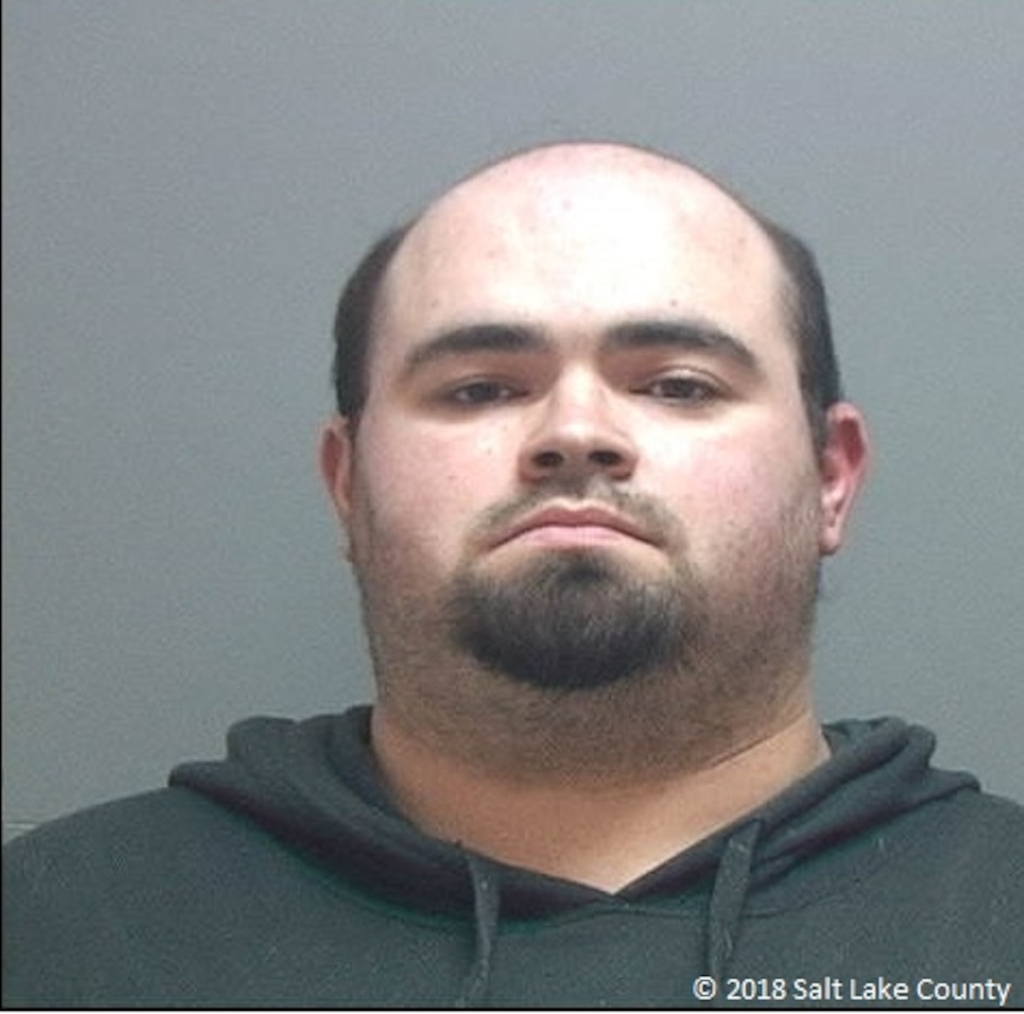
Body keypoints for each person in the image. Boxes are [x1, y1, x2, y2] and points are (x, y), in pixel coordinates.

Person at [4, 141, 1021, 1010]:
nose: (574, 431)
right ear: (348, 483)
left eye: (678, 384)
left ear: (831, 476)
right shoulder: (52, 930)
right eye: (480, 387)